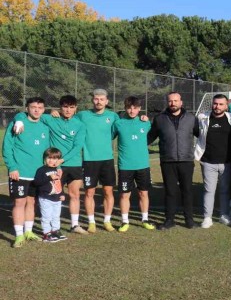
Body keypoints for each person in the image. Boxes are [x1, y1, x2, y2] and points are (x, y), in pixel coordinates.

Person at [12, 95, 87, 234]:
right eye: (65, 107)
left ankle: (75, 225)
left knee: (74, 194)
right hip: (54, 165)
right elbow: (25, 114)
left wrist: (62, 160)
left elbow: (78, 146)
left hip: (73, 163)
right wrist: (19, 121)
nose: (68, 110)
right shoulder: (50, 119)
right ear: (60, 107)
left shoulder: (80, 125)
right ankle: (50, 227)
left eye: (71, 107)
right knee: (50, 194)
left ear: (76, 108)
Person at [148, 92, 200, 230]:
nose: (173, 103)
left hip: (186, 161)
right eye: (170, 101)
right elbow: (149, 137)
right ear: (167, 102)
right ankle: (169, 220)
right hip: (167, 161)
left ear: (181, 102)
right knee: (170, 192)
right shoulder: (159, 119)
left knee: (187, 191)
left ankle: (189, 220)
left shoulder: (191, 118)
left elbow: (201, 136)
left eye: (176, 101)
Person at [3, 97, 50, 247]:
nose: (36, 110)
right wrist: (12, 167)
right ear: (27, 108)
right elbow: (7, 147)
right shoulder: (18, 124)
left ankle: (28, 231)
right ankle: (19, 235)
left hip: (38, 173)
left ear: (44, 110)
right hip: (20, 172)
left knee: (32, 202)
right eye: (33, 107)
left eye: (40, 107)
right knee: (19, 202)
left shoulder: (45, 125)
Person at [77, 89, 120, 232]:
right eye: (96, 99)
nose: (99, 101)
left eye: (102, 99)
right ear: (92, 100)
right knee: (89, 192)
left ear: (107, 101)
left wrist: (142, 118)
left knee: (108, 191)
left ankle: (107, 221)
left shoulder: (113, 116)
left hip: (107, 160)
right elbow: (68, 119)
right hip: (89, 160)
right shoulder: (82, 115)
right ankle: (91, 222)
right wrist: (55, 112)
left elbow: (120, 128)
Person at [112, 97, 155, 231]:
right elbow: (108, 137)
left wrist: (147, 119)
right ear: (125, 108)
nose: (132, 111)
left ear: (139, 109)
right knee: (124, 195)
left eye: (135, 108)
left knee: (144, 193)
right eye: (129, 108)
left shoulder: (145, 123)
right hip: (125, 166)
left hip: (143, 166)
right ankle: (125, 222)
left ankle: (145, 219)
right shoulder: (118, 124)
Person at [195, 94, 231, 229]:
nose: (217, 106)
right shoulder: (202, 117)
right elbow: (196, 132)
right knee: (209, 190)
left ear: (226, 105)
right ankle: (207, 218)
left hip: (227, 162)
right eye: (215, 103)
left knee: (225, 190)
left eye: (221, 104)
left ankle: (224, 215)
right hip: (208, 162)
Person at [32, 148, 67, 243]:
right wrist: (48, 178)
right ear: (45, 158)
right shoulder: (41, 170)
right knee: (46, 216)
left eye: (54, 158)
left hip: (57, 197)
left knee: (56, 216)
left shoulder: (58, 170)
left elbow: (60, 183)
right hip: (45, 198)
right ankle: (46, 233)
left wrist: (62, 193)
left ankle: (56, 231)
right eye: (49, 158)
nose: (51, 161)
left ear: (58, 160)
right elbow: (36, 182)